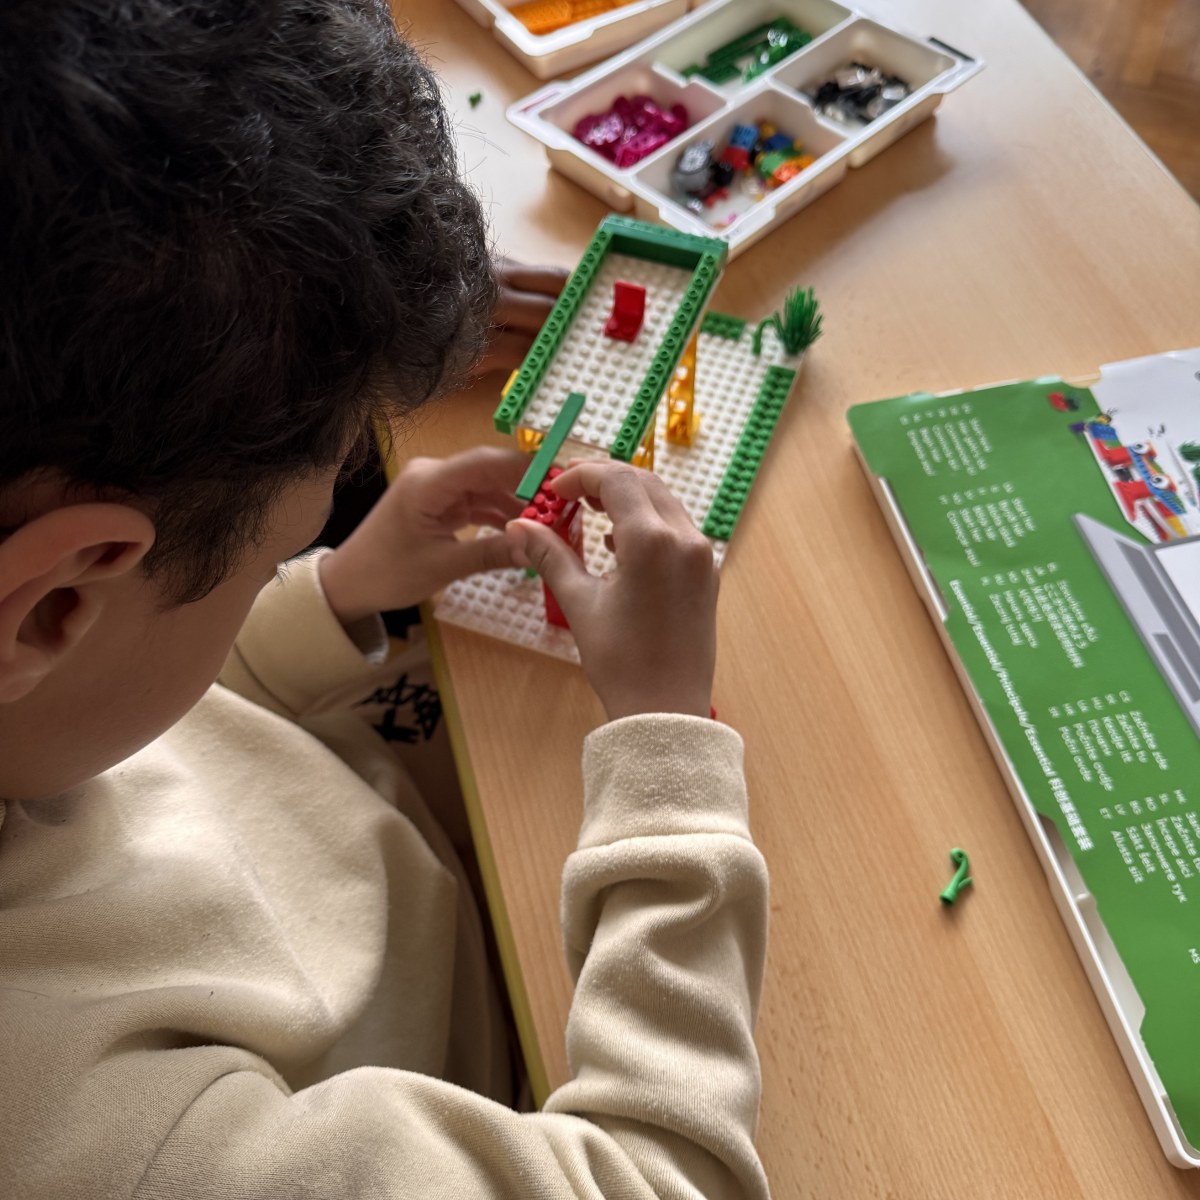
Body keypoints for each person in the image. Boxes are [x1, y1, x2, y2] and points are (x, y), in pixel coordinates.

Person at [0, 1, 771, 1197]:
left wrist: (336, 589)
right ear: (52, 605)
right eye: (270, 556)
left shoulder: (39, 695)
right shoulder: (121, 1147)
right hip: (497, 1055)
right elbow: (659, 1179)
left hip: (383, 866)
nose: (285, 565)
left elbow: (136, 708)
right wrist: (667, 748)